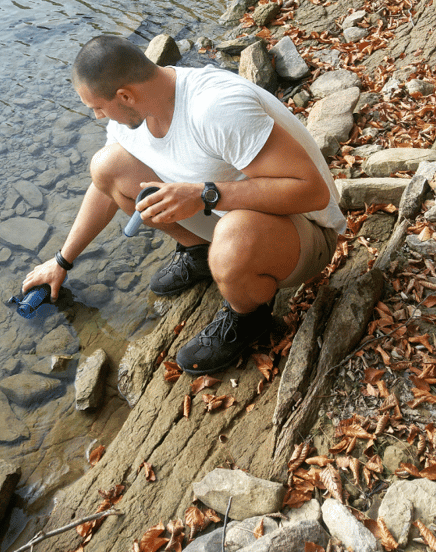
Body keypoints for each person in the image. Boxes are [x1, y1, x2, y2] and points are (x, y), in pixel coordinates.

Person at [22, 35, 346, 375]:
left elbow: (312, 192)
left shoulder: (214, 108)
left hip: (307, 230)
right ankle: (201, 252)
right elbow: (104, 188)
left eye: (99, 108)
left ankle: (248, 317)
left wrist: (203, 195)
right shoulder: (135, 114)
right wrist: (61, 261)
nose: (99, 117)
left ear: (125, 96)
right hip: (229, 213)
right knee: (107, 167)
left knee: (233, 236)